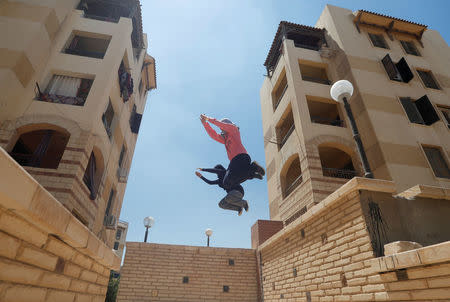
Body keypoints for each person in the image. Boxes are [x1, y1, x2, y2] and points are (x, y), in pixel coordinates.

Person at [200, 114, 265, 192]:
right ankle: (252, 173)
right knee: (227, 183)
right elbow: (213, 135)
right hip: (235, 161)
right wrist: (205, 124)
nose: (222, 130)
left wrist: (208, 119)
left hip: (241, 157)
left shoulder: (234, 130)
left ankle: (253, 168)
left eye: (222, 129)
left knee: (228, 181)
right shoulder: (225, 139)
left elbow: (222, 125)